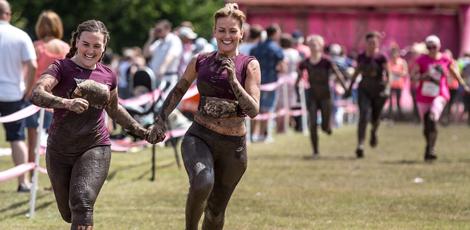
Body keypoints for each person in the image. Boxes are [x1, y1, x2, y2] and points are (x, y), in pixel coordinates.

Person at [147, 3, 260, 229]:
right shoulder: (200, 60)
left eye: (232, 31)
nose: (226, 36)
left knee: (216, 212)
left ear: (241, 34)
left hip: (233, 146)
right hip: (200, 137)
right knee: (202, 183)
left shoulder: (249, 65)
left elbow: (253, 110)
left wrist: (234, 82)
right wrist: (160, 121)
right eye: (221, 30)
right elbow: (179, 89)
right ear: (214, 32)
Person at [31, 20, 151, 229]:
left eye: (97, 46)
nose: (91, 50)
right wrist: (66, 103)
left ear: (104, 47)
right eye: (86, 44)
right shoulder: (61, 68)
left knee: (83, 202)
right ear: (77, 41)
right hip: (60, 149)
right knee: (69, 212)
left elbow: (113, 109)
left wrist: (140, 130)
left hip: (94, 145)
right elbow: (37, 93)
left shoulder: (108, 74)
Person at [26, 10, 70, 179]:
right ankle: (58, 180)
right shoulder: (66, 47)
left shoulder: (37, 47)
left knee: (33, 142)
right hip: (58, 100)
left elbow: (29, 72)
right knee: (58, 144)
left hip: (36, 101)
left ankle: (31, 177)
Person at [411, 35, 470, 161]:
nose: (432, 49)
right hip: (424, 95)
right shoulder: (421, 60)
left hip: (440, 94)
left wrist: (463, 84)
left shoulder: (445, 59)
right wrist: (424, 76)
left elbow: (454, 72)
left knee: (432, 118)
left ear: (439, 46)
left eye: (434, 46)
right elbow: (413, 76)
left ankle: (431, 149)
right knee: (427, 124)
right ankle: (429, 146)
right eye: (429, 47)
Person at [0, 0, 37, 192]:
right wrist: (28, 89)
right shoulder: (20, 35)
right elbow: (33, 65)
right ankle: (22, 182)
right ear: (9, 14)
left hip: (11, 93)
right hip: (12, 94)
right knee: (16, 138)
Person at [296, 35, 347, 157]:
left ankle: (327, 127)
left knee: (325, 126)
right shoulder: (305, 62)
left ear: (320, 46)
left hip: (326, 95)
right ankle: (315, 151)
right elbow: (298, 78)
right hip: (312, 94)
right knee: (312, 123)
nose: (313, 47)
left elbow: (338, 74)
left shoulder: (327, 61)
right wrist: (297, 90)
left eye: (315, 44)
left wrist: (346, 88)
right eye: (311, 44)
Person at [344, 31, 390, 158]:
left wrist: (387, 88)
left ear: (378, 43)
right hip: (364, 89)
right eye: (370, 43)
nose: (372, 45)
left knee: (375, 118)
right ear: (366, 43)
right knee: (363, 114)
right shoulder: (361, 57)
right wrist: (349, 88)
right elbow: (357, 72)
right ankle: (360, 145)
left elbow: (388, 74)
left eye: (374, 42)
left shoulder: (382, 57)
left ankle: (374, 131)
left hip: (379, 90)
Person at [250, 24, 284, 142]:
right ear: (274, 33)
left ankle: (253, 135)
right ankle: (264, 135)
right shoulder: (275, 48)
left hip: (256, 81)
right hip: (271, 82)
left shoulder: (256, 47)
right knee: (267, 109)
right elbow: (282, 65)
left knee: (255, 109)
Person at [143, 19, 183, 93]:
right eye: (156, 30)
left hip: (167, 79)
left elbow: (171, 56)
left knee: (164, 103)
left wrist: (162, 69)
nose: (157, 32)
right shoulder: (159, 42)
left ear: (167, 29)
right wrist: (150, 38)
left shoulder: (174, 40)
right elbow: (146, 54)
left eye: (159, 30)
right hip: (157, 79)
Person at [387, 45, 408, 120]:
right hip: (391, 85)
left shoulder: (402, 62)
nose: (394, 55)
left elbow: (405, 73)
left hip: (399, 85)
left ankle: (399, 118)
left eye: (395, 53)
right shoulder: (389, 62)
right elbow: (387, 73)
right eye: (392, 53)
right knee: (390, 103)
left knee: (398, 102)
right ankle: (390, 117)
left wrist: (398, 73)